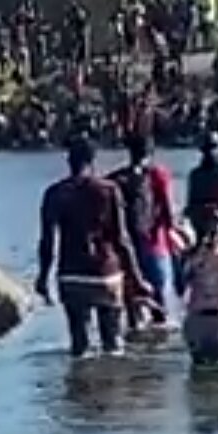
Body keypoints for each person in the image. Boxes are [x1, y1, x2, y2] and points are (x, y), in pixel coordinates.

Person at [36, 136, 150, 358]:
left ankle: (81, 379)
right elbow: (122, 240)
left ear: (69, 160)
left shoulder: (55, 194)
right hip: (105, 274)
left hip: (72, 276)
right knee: (113, 345)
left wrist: (43, 278)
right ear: (93, 160)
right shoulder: (109, 190)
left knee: (79, 348)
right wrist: (137, 279)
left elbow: (47, 242)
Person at [106, 134, 182, 329]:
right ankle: (159, 338)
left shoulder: (115, 179)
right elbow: (168, 213)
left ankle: (136, 336)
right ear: (151, 152)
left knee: (132, 302)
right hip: (155, 246)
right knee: (160, 303)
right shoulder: (158, 175)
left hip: (125, 248)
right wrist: (177, 235)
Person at [178, 210, 218, 369]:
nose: (213, 229)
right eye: (209, 225)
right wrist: (196, 253)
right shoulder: (191, 254)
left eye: (217, 225)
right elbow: (181, 284)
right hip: (198, 317)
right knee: (199, 367)